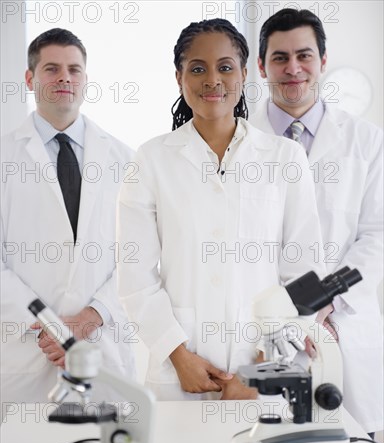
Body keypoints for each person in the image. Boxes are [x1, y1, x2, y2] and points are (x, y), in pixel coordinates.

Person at [117, 18, 326, 401]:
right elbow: (134, 276)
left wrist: (260, 369)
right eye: (197, 68)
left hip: (262, 371)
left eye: (225, 67)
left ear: (245, 74)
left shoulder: (284, 157)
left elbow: (305, 273)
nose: (212, 79)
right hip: (178, 374)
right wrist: (178, 355)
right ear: (179, 77)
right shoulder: (151, 159)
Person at [249, 8, 383, 435]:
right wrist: (287, 313)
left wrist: (322, 302)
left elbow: (377, 233)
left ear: (323, 62)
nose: (293, 69)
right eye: (280, 57)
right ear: (261, 66)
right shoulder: (237, 141)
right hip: (262, 326)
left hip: (342, 320)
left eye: (304, 55)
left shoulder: (366, 141)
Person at [1, 28, 136, 405]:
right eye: (52, 69)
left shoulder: (125, 160)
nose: (65, 77)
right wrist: (52, 325)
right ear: (30, 79)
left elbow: (142, 257)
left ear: (85, 80)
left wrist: (91, 316)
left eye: (74, 70)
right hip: (27, 353)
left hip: (102, 345)